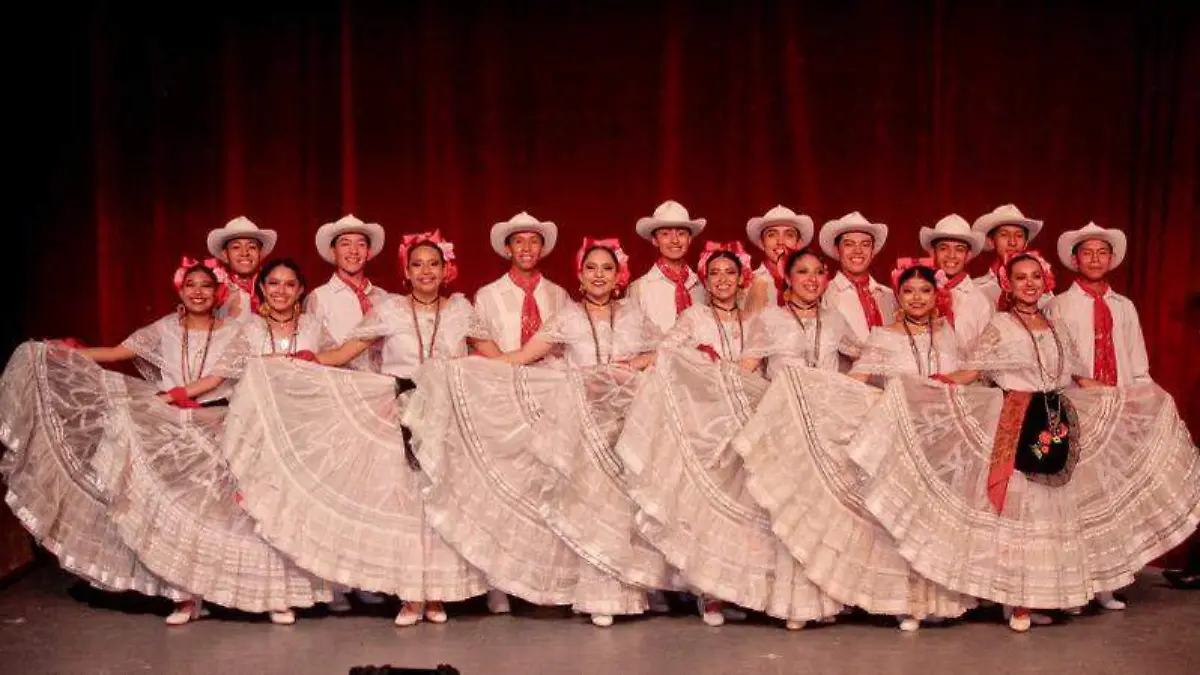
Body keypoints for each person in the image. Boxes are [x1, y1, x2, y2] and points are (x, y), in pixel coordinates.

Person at [844, 252, 1200, 632]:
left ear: (1045, 282)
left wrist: (1127, 398)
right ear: (1008, 285)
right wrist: (925, 389)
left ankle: (1048, 594)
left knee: (1056, 508)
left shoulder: (1057, 325)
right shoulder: (999, 325)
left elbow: (1081, 378)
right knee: (1021, 510)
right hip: (1016, 418)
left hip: (1058, 418)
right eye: (1020, 278)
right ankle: (1016, 602)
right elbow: (970, 373)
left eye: (1035, 277)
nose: (1029, 284)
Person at [0, 257, 330, 627]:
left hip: (221, 421)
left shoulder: (237, 331)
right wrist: (68, 354)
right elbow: (116, 352)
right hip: (170, 426)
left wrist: (174, 394)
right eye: (191, 286)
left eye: (206, 286)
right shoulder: (165, 329)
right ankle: (187, 596)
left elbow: (219, 378)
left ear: (218, 292)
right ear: (181, 290)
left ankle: (268, 595)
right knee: (182, 512)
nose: (198, 292)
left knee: (240, 515)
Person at [225, 231, 498, 627]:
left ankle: (437, 594)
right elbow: (343, 353)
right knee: (406, 505)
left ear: (446, 270)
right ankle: (409, 596)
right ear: (406, 271)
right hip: (399, 410)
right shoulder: (389, 309)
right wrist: (301, 361)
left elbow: (496, 357)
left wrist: (537, 368)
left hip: (446, 412)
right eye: (417, 264)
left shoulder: (461, 309)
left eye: (433, 264)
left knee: (443, 501)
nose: (425, 271)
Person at [735, 259, 974, 632]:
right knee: (792, 512)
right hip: (787, 422)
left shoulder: (835, 321)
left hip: (832, 426)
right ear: (788, 279)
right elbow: (746, 367)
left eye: (818, 273)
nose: (811, 279)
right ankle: (795, 602)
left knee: (833, 514)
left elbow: (859, 369)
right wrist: (712, 388)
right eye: (802, 272)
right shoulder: (770, 319)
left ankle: (839, 597)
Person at [616, 243, 844, 629]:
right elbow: (668, 351)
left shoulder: (760, 317)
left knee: (755, 510)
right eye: (715, 273)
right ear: (705, 280)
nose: (722, 280)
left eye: (730, 273)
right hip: (711, 418)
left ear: (742, 280)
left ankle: (750, 589)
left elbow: (757, 364)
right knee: (711, 505)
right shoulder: (695, 315)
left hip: (756, 415)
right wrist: (633, 364)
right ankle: (710, 591)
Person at [1049, 222, 1148, 611]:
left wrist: (1142, 396)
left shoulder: (1125, 306)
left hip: (1118, 404)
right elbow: (1057, 361)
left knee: (1113, 495)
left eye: (1101, 253)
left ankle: (1110, 582)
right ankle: (1076, 584)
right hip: (1077, 404)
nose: (1094, 259)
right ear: (1075, 259)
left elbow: (1137, 359)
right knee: (1076, 496)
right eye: (1087, 252)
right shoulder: (1059, 303)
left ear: (1111, 259)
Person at [473, 211, 570, 353]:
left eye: (534, 241)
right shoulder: (487, 296)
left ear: (541, 248)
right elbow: (479, 347)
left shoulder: (559, 295)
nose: (526, 248)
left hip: (552, 373)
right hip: (503, 373)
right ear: (508, 248)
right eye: (518, 241)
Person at [305, 214, 389, 373]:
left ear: (369, 252)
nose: (354, 251)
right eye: (345, 244)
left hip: (382, 385)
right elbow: (314, 349)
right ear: (333, 251)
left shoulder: (383, 297)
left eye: (361, 244)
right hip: (340, 384)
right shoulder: (319, 297)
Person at [817, 211, 897, 346]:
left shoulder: (890, 296)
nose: (858, 250)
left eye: (865, 244)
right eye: (849, 244)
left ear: (873, 251)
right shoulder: (824, 294)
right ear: (837, 250)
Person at [628, 200, 708, 332]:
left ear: (690, 239)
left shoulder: (702, 286)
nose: (675, 240)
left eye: (681, 233)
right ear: (655, 240)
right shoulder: (639, 289)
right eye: (665, 234)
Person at [918, 214, 993, 345]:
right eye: (943, 248)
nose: (951, 255)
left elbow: (986, 353)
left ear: (968, 255)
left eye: (959, 249)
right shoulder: (918, 294)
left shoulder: (981, 302)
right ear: (932, 253)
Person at [742, 205, 814, 313]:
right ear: (762, 243)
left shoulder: (811, 283)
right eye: (772, 235)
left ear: (798, 244)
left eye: (789, 235)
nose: (780, 241)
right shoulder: (748, 284)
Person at [971, 204, 1044, 309]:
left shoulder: (1039, 288)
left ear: (1026, 243)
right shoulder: (977, 289)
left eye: (1019, 235)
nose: (1012, 242)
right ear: (991, 241)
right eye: (1004, 235)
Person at [206, 216, 278, 323]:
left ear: (260, 253)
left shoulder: (274, 286)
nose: (245, 253)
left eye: (252, 247)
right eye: (236, 247)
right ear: (225, 254)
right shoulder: (213, 289)